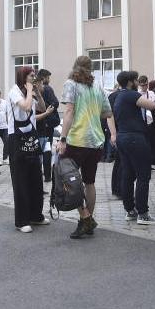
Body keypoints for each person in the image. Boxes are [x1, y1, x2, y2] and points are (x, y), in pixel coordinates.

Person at [57, 56, 113, 239]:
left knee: (67, 177)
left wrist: (62, 139)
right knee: (89, 182)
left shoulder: (71, 84)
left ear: (75, 66)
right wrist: (92, 110)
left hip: (76, 139)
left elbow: (69, 111)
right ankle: (87, 221)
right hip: (96, 140)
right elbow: (107, 112)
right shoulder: (97, 86)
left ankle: (85, 216)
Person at [112, 71, 155, 225]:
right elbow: (152, 105)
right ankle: (143, 213)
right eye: (135, 80)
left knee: (127, 174)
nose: (137, 83)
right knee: (143, 175)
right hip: (135, 138)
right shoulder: (131, 95)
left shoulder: (118, 95)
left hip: (122, 137)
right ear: (130, 82)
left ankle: (130, 210)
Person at [8, 67, 51, 233]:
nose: (34, 78)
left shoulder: (30, 90)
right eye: (32, 76)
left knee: (35, 178)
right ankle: (22, 220)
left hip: (31, 136)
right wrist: (30, 91)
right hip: (17, 139)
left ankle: (36, 215)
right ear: (23, 77)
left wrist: (38, 93)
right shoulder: (14, 91)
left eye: (34, 76)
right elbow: (26, 107)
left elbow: (41, 107)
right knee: (21, 180)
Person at [36, 69, 60, 181]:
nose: (49, 80)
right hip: (46, 125)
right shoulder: (47, 88)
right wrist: (49, 109)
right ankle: (47, 175)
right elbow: (55, 103)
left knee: (38, 149)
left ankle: (39, 172)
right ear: (44, 78)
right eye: (48, 77)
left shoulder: (32, 90)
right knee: (46, 149)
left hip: (37, 124)